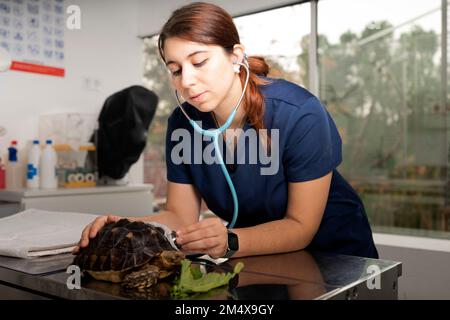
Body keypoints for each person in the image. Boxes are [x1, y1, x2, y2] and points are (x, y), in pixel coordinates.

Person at [74, 2, 378, 259]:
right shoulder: (182, 124)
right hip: (259, 256)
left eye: (199, 62)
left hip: (337, 254)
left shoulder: (299, 114)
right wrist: (124, 225)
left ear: (235, 57)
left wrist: (230, 241)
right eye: (176, 70)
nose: (187, 81)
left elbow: (300, 226)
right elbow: (179, 217)